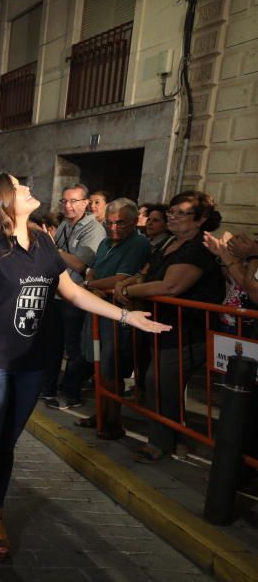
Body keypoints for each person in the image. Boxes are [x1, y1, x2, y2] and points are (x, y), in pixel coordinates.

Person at [0, 174, 168, 577]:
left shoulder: (42, 241)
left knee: (6, 446)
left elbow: (72, 292)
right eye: (17, 186)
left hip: (29, 362)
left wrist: (126, 316)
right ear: (2, 201)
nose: (26, 188)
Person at [115, 191, 225, 463]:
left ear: (201, 220)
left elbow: (172, 286)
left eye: (181, 213)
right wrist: (127, 282)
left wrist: (128, 290)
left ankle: (160, 443)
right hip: (162, 324)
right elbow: (148, 271)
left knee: (160, 382)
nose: (173, 217)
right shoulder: (170, 244)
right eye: (171, 212)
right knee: (162, 384)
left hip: (187, 329)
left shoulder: (197, 248)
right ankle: (178, 439)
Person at [75, 199, 151, 438]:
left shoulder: (138, 243)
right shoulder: (106, 242)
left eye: (121, 223)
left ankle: (113, 421)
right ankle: (101, 412)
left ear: (134, 221)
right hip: (98, 311)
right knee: (99, 367)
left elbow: (118, 277)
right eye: (109, 223)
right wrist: (93, 285)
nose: (114, 228)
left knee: (112, 370)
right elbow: (96, 270)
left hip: (117, 315)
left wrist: (88, 285)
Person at [41, 184, 106, 409]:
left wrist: (52, 249)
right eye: (65, 201)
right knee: (52, 344)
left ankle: (70, 393)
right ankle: (48, 388)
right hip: (57, 295)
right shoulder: (64, 227)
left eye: (74, 201)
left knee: (75, 348)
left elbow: (79, 264)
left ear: (86, 203)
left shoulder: (94, 229)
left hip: (76, 297)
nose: (68, 206)